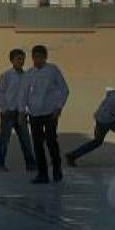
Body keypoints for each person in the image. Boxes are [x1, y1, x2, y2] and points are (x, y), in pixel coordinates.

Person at [19, 44, 69, 184]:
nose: (38, 60)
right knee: (37, 144)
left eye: (41, 57)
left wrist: (59, 107)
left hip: (50, 113)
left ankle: (57, 169)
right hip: (34, 114)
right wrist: (22, 111)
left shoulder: (53, 70)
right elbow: (23, 94)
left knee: (51, 141)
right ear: (32, 58)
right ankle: (42, 174)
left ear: (45, 57)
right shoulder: (29, 74)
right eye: (35, 57)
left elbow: (64, 89)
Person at [0, 49, 37, 172]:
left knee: (25, 139)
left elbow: (28, 94)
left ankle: (30, 164)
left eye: (23, 58)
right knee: (4, 139)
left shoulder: (27, 76)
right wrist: (4, 108)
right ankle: (0, 162)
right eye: (18, 59)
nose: (21, 61)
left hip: (21, 113)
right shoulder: (7, 75)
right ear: (12, 60)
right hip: (8, 112)